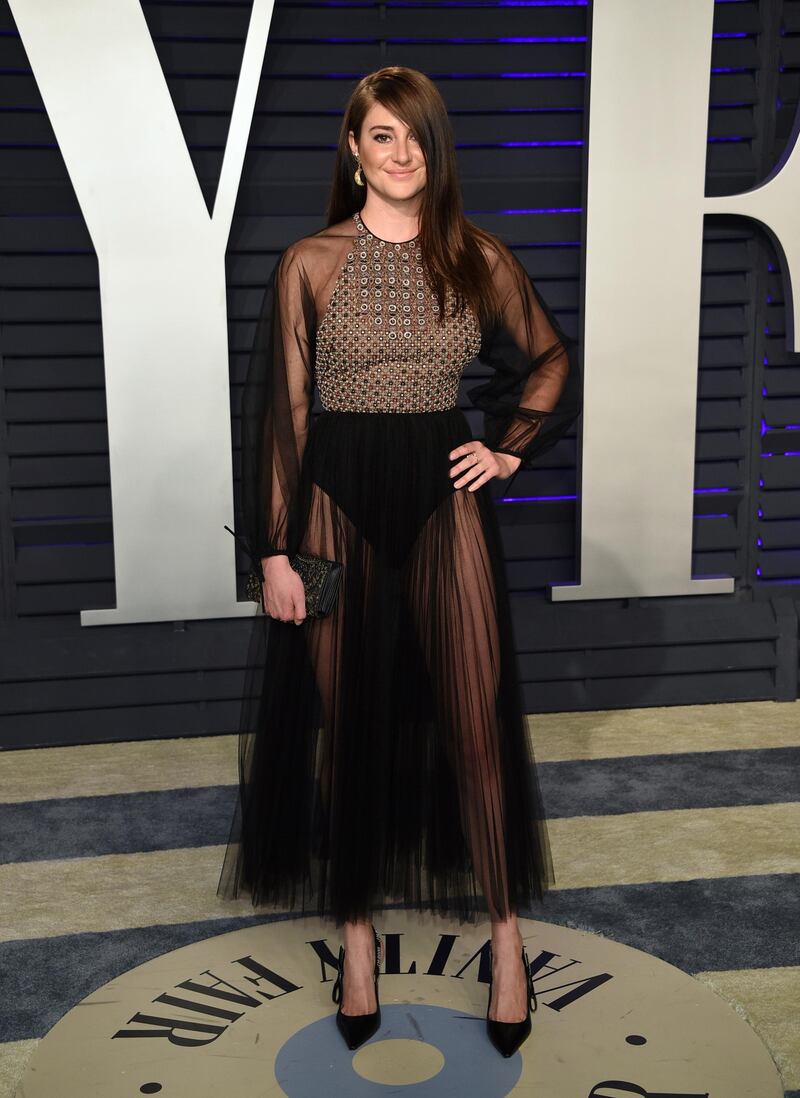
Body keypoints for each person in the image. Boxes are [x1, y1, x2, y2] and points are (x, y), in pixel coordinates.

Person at [217, 65, 582, 1056]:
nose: (401, 151)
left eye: (414, 135)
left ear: (434, 146)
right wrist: (274, 555)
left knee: (472, 723)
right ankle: (355, 939)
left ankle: (506, 945)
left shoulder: (474, 256)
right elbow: (284, 421)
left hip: (441, 496)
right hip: (334, 500)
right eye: (381, 135)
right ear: (353, 150)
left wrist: (508, 445)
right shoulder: (309, 261)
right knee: (350, 729)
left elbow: (548, 357)